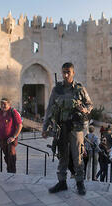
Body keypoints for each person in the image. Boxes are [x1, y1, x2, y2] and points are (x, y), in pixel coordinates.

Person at [42, 62, 93, 195]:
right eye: (63, 72)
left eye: (68, 72)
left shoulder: (79, 89)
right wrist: (45, 127)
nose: (65, 75)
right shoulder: (56, 89)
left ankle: (80, 183)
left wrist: (85, 109)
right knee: (62, 155)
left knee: (78, 156)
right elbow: (49, 109)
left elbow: (90, 104)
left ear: (73, 73)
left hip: (76, 128)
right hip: (61, 128)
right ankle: (62, 182)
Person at [0, 98, 23, 173]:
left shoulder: (13, 112)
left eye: (4, 104)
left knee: (11, 156)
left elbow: (20, 125)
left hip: (10, 139)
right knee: (6, 156)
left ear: (9, 104)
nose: (3, 106)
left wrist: (14, 137)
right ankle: (9, 170)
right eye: (1, 104)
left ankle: (12, 173)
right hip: (2, 139)